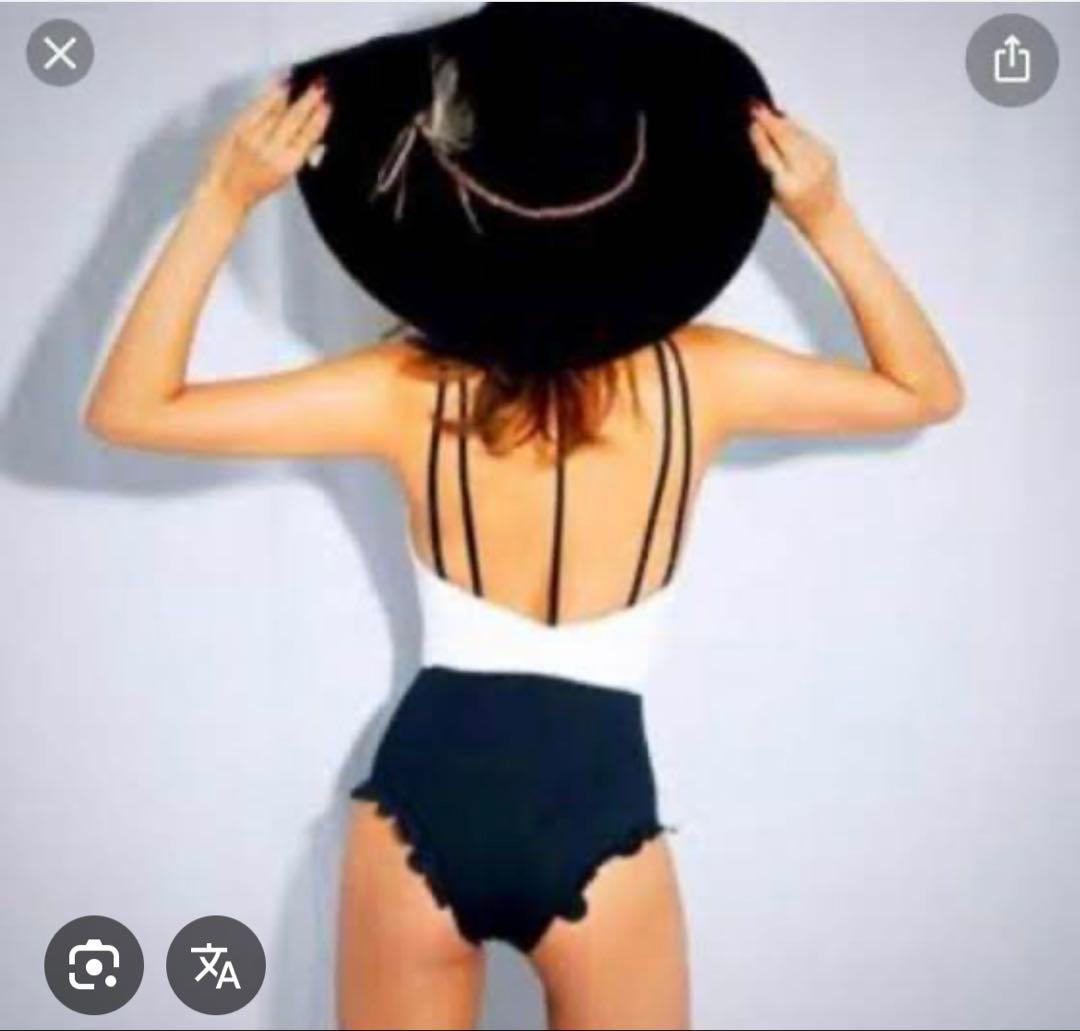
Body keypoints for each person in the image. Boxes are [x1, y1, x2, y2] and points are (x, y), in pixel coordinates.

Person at [83, 72, 963, 1031]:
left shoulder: (408, 386)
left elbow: (130, 410)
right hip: (599, 810)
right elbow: (925, 390)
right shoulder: (703, 376)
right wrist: (827, 217)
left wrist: (222, 199)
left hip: (422, 801)